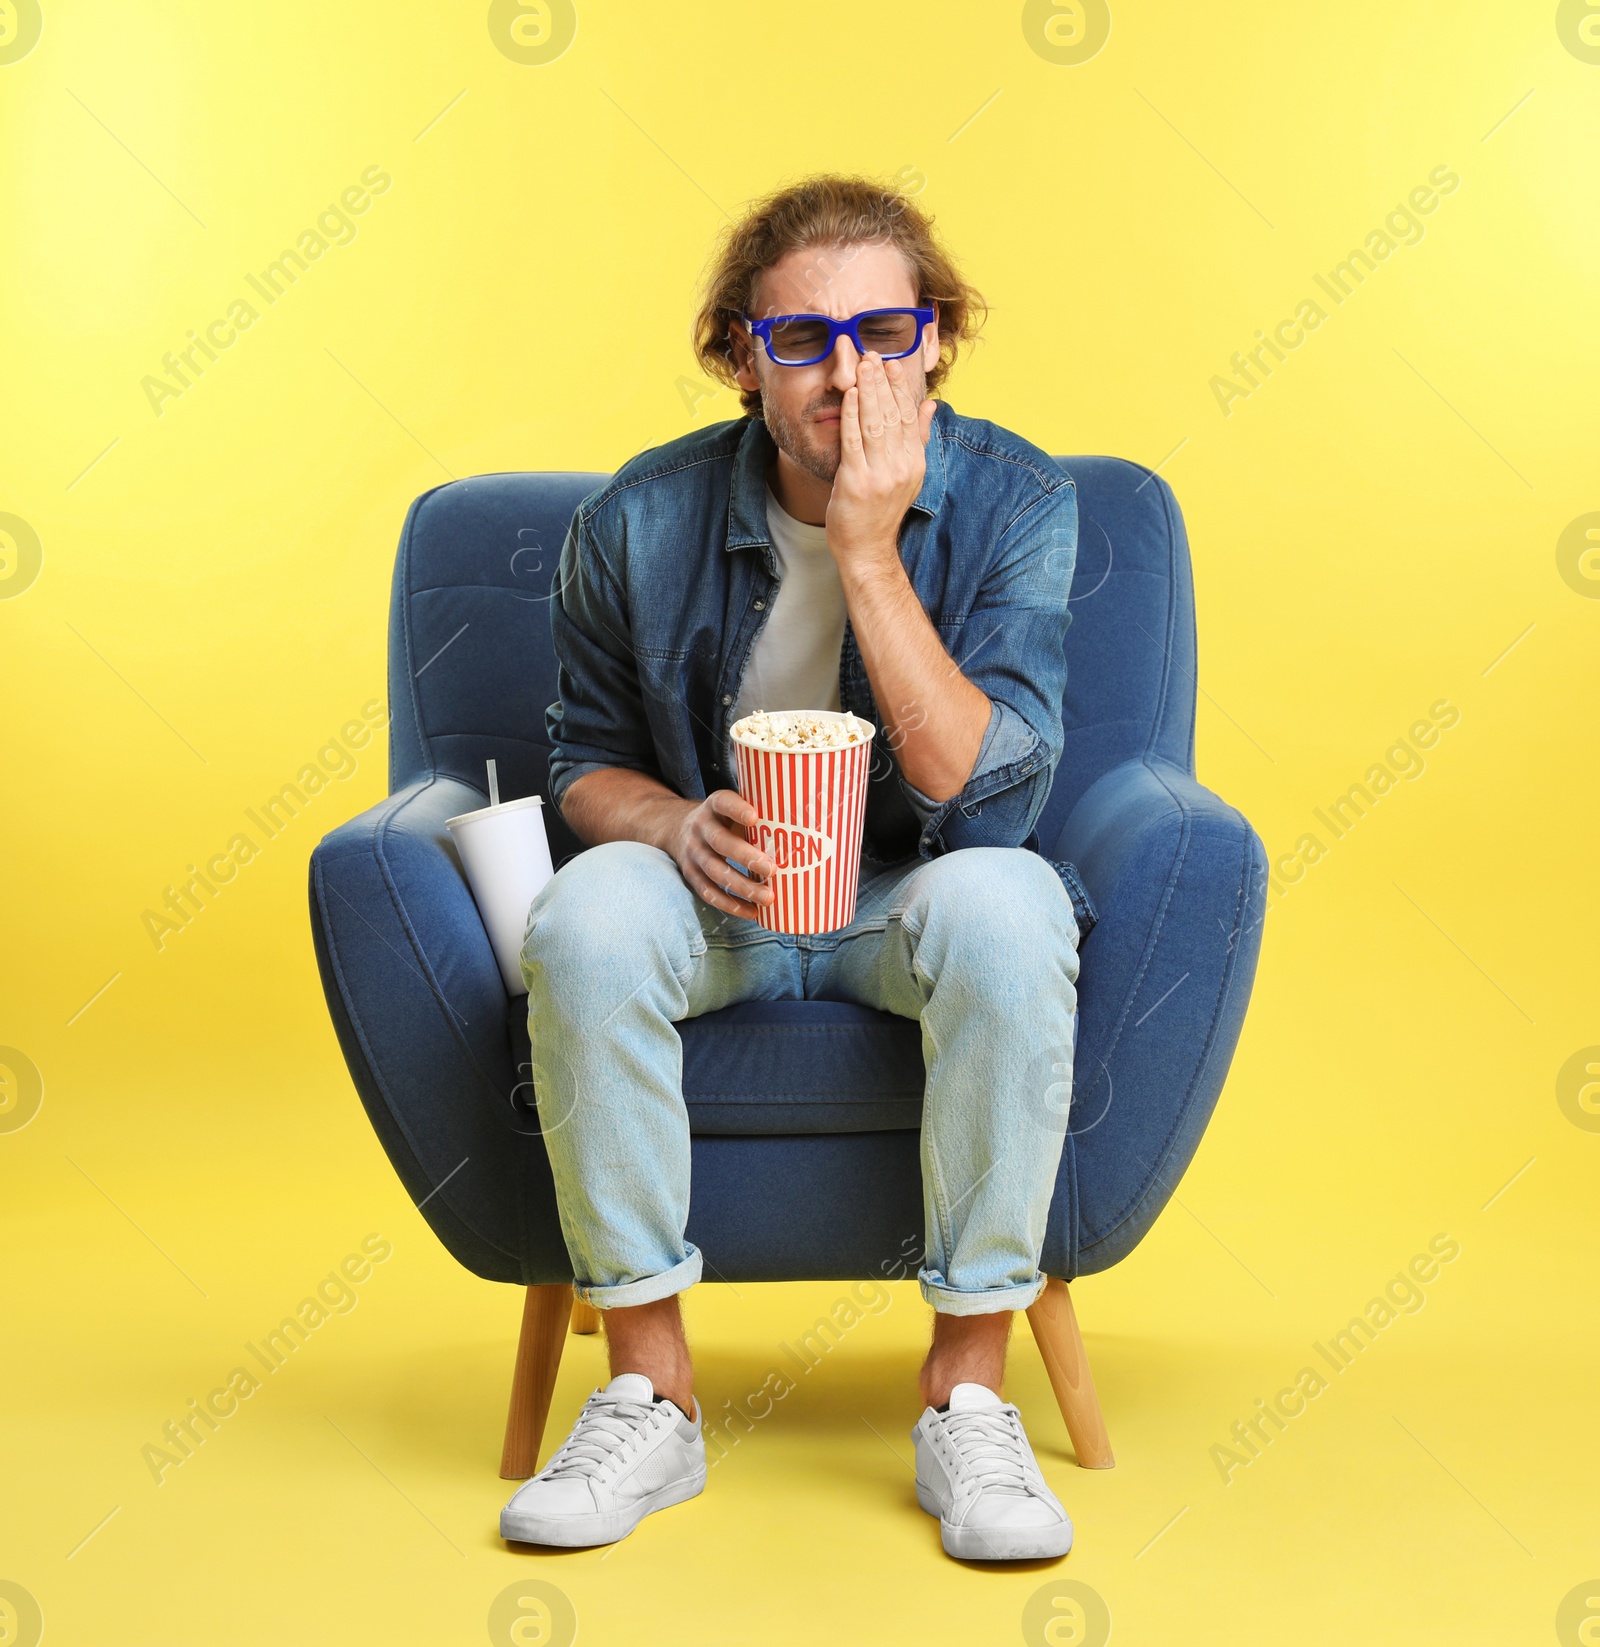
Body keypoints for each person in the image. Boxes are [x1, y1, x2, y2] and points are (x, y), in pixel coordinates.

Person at [499, 173, 1096, 1562]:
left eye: (886, 334)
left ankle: (967, 1398)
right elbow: (579, 759)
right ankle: (650, 1392)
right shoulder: (636, 523)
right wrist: (666, 825)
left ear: (937, 341)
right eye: (800, 342)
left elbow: (966, 779)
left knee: (1013, 908)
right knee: (585, 914)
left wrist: (870, 549)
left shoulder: (1018, 504)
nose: (847, 375)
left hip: (920, 902)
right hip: (724, 900)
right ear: (736, 359)